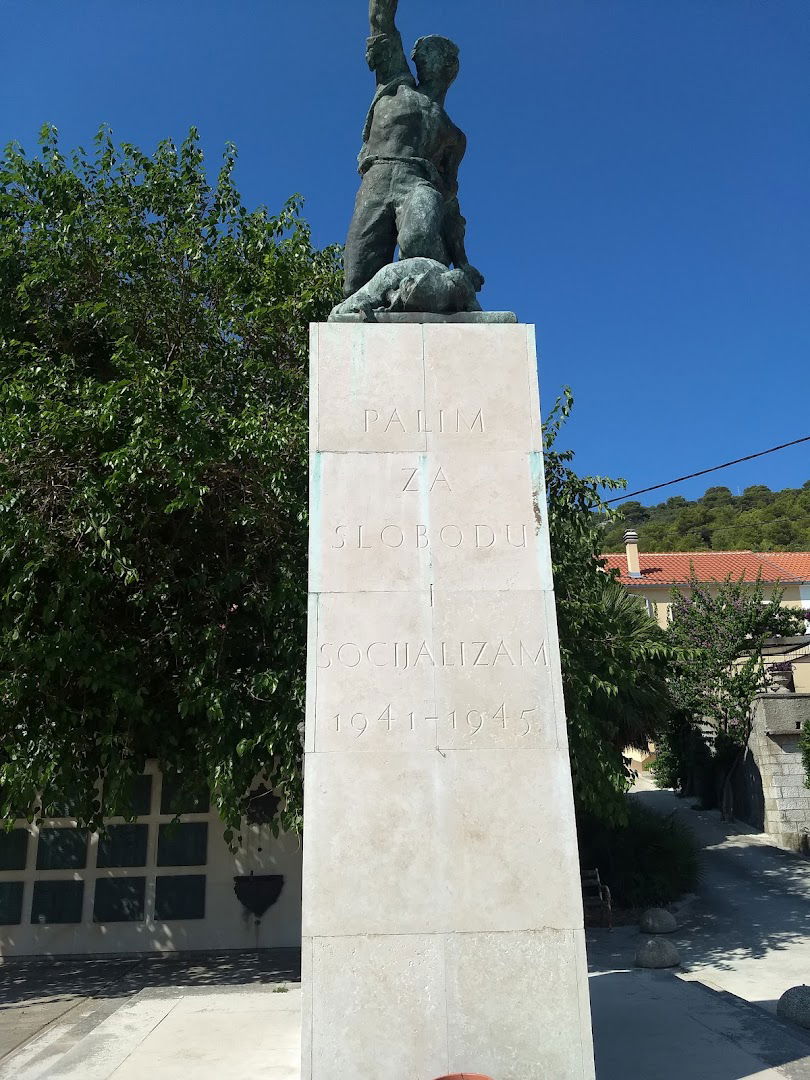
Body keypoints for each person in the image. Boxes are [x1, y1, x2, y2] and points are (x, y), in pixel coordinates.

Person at [342, 0, 484, 301]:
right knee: (354, 284)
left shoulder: (454, 136)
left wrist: (463, 261)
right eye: (422, 54)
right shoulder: (396, 83)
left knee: (419, 240)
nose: (422, 58)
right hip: (376, 179)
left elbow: (450, 202)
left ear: (450, 67)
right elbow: (381, 19)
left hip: (418, 182)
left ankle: (440, 285)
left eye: (433, 54)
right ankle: (398, 297)